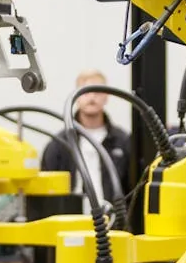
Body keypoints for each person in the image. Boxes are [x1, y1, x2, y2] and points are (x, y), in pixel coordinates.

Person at [41, 69, 132, 213]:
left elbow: (133, 188)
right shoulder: (59, 144)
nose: (92, 97)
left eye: (98, 91)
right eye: (85, 91)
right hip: (70, 225)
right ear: (76, 97)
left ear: (107, 97)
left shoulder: (123, 141)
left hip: (114, 223)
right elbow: (45, 192)